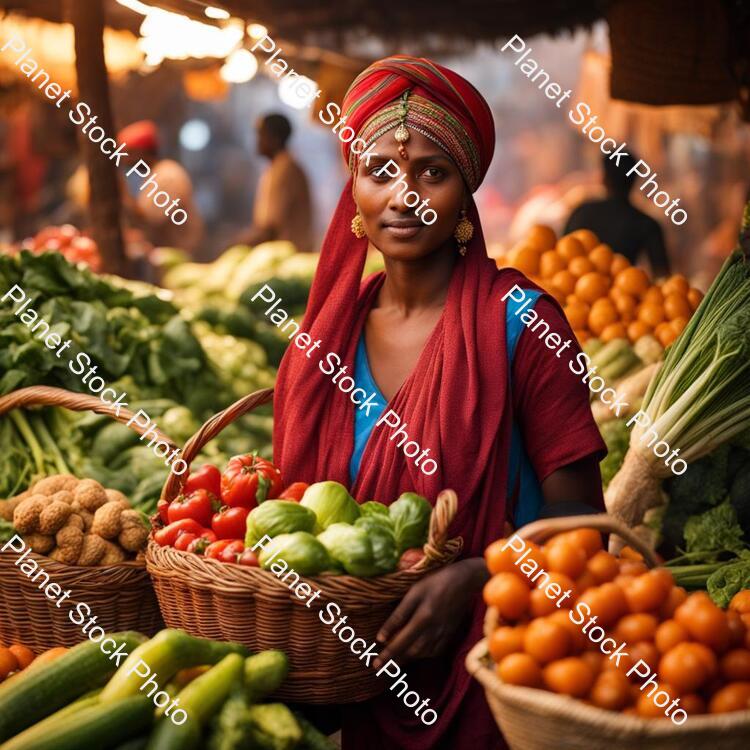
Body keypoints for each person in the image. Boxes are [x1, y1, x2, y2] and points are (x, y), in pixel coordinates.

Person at [271, 57, 607, 749]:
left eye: (432, 171)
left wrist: (480, 575)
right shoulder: (328, 342)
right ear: (353, 190)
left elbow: (586, 527)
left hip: (503, 676)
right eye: (380, 170)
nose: (404, 195)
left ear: (464, 195)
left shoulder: (522, 324)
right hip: (365, 681)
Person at [564, 151, 670, 276]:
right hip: (625, 290)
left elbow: (562, 252)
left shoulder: (582, 212)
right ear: (634, 180)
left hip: (577, 289)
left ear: (603, 178)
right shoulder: (647, 224)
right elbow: (662, 275)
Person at [117, 120, 204, 254]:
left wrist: (120, 194)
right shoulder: (154, 174)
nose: (125, 159)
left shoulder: (168, 174)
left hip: (180, 252)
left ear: (142, 152)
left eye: (128, 153)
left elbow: (148, 218)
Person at [242, 113, 312, 252]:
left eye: (261, 135)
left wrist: (238, 245)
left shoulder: (285, 170)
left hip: (288, 256)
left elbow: (270, 228)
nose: (257, 141)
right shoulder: (278, 167)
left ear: (274, 138)